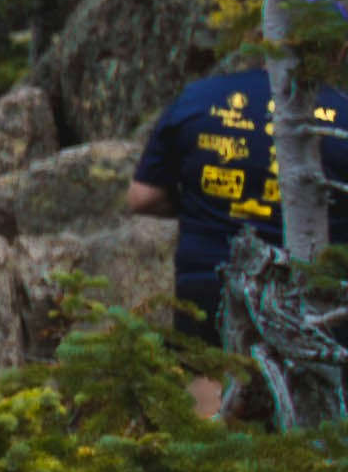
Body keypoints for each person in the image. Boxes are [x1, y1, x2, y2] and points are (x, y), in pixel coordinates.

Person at [132, 41, 348, 334]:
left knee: (213, 372)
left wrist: (199, 207)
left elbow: (142, 197)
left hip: (208, 273)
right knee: (309, 374)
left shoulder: (199, 97)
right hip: (312, 287)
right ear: (339, 51)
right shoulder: (342, 113)